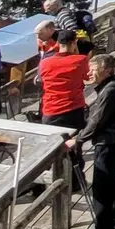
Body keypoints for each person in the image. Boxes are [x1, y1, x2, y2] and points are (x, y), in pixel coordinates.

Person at [67, 53, 115, 229]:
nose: (89, 73)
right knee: (113, 179)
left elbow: (97, 120)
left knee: (101, 187)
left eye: (93, 69)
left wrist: (77, 140)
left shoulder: (110, 91)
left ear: (107, 70)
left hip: (107, 142)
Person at [38, 31, 90, 193]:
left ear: (58, 44)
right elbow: (87, 77)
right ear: (74, 43)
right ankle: (75, 182)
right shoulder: (80, 60)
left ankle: (49, 183)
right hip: (72, 109)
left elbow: (41, 79)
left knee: (51, 149)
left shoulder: (45, 62)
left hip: (50, 110)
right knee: (74, 148)